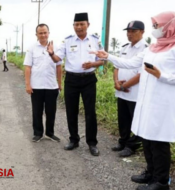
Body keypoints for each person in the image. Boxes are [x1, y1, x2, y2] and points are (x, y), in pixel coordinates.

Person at [93, 11, 175, 190]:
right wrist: (107, 56)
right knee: (146, 138)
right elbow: (130, 64)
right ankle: (151, 173)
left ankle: (161, 181)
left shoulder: (174, 48)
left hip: (162, 103)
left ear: (169, 25)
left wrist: (162, 75)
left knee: (159, 141)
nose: (155, 29)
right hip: (146, 101)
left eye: (157, 26)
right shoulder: (153, 47)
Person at [47, 13, 104, 156]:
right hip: (71, 80)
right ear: (73, 26)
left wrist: (92, 64)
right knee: (71, 111)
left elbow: (102, 60)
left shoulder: (95, 40)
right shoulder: (67, 41)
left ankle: (92, 143)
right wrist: (51, 53)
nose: (79, 27)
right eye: (76, 25)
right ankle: (74, 139)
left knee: (90, 112)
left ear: (88, 25)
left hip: (89, 80)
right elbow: (57, 59)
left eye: (82, 24)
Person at [111, 21, 148, 157]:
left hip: (135, 93)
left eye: (134, 31)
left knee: (135, 120)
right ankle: (123, 141)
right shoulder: (125, 48)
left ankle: (132, 146)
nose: (130, 34)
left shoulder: (145, 49)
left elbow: (141, 73)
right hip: (121, 92)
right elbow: (116, 66)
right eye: (128, 31)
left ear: (142, 32)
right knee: (123, 119)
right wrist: (116, 82)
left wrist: (124, 86)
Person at [23, 23, 62, 143]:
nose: (43, 35)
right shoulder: (32, 48)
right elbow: (28, 67)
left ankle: (50, 133)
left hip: (51, 86)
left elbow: (59, 67)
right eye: (40, 33)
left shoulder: (57, 48)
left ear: (48, 33)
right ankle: (38, 133)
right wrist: (28, 85)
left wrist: (60, 84)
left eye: (45, 32)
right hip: (37, 86)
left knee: (51, 111)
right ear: (36, 35)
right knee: (37, 111)